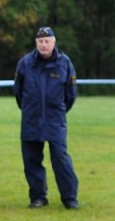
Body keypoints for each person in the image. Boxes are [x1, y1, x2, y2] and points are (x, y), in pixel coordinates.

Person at [13, 27, 79, 209]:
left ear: (54, 42)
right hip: (31, 119)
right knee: (31, 160)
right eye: (40, 41)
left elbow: (70, 95)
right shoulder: (25, 64)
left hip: (55, 120)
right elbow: (18, 92)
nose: (44, 45)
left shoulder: (64, 63)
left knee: (60, 158)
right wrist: (29, 109)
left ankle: (70, 198)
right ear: (36, 43)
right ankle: (38, 197)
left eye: (47, 41)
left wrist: (57, 110)